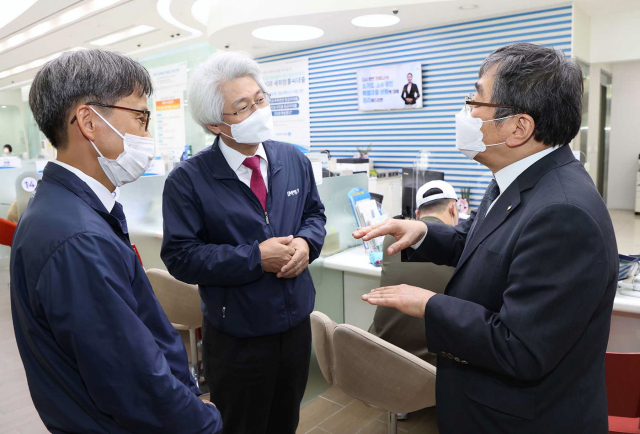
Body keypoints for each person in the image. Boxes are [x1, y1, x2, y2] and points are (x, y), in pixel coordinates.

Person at [355, 43, 617, 434]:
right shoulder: (518, 177)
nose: (466, 113)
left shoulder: (564, 213)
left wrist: (429, 305)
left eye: (475, 99)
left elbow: (520, 347)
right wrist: (422, 231)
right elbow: (483, 242)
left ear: (518, 127)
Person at [10, 49, 222, 433]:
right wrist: (204, 423)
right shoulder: (77, 239)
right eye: (140, 117)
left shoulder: (64, 209)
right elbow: (133, 381)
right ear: (89, 121)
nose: (147, 134)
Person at [161, 51, 326, 434]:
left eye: (260, 99)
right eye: (242, 107)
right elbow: (181, 256)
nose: (258, 111)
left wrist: (306, 244)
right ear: (216, 124)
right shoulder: (188, 181)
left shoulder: (292, 159)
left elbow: (314, 215)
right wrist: (255, 257)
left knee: (286, 419)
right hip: (238, 335)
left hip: (295, 324)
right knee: (240, 425)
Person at [369, 180, 458, 365]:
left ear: (417, 215)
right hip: (430, 364)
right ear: (453, 210)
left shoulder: (391, 238)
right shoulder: (463, 247)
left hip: (379, 351)